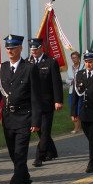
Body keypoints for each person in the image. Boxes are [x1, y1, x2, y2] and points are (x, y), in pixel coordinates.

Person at [0, 34, 42, 184]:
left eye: (13, 47)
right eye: (8, 48)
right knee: (13, 155)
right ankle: (26, 182)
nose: (10, 50)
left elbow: (36, 97)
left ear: (20, 49)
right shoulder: (2, 68)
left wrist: (35, 120)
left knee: (20, 155)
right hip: (8, 118)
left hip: (24, 117)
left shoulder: (29, 68)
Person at [28, 38, 63, 167]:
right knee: (41, 132)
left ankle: (39, 156)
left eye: (36, 49)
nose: (34, 51)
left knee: (45, 130)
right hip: (33, 103)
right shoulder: (28, 62)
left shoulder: (50, 62)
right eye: (32, 49)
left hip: (46, 102)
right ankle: (52, 151)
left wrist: (58, 100)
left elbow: (56, 83)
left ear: (41, 48)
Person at [67, 51, 81, 133]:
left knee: (79, 108)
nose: (74, 59)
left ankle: (80, 126)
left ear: (78, 58)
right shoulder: (70, 67)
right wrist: (70, 81)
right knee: (73, 109)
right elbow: (67, 79)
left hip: (80, 91)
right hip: (72, 91)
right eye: (72, 58)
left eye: (75, 57)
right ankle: (76, 127)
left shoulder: (82, 66)